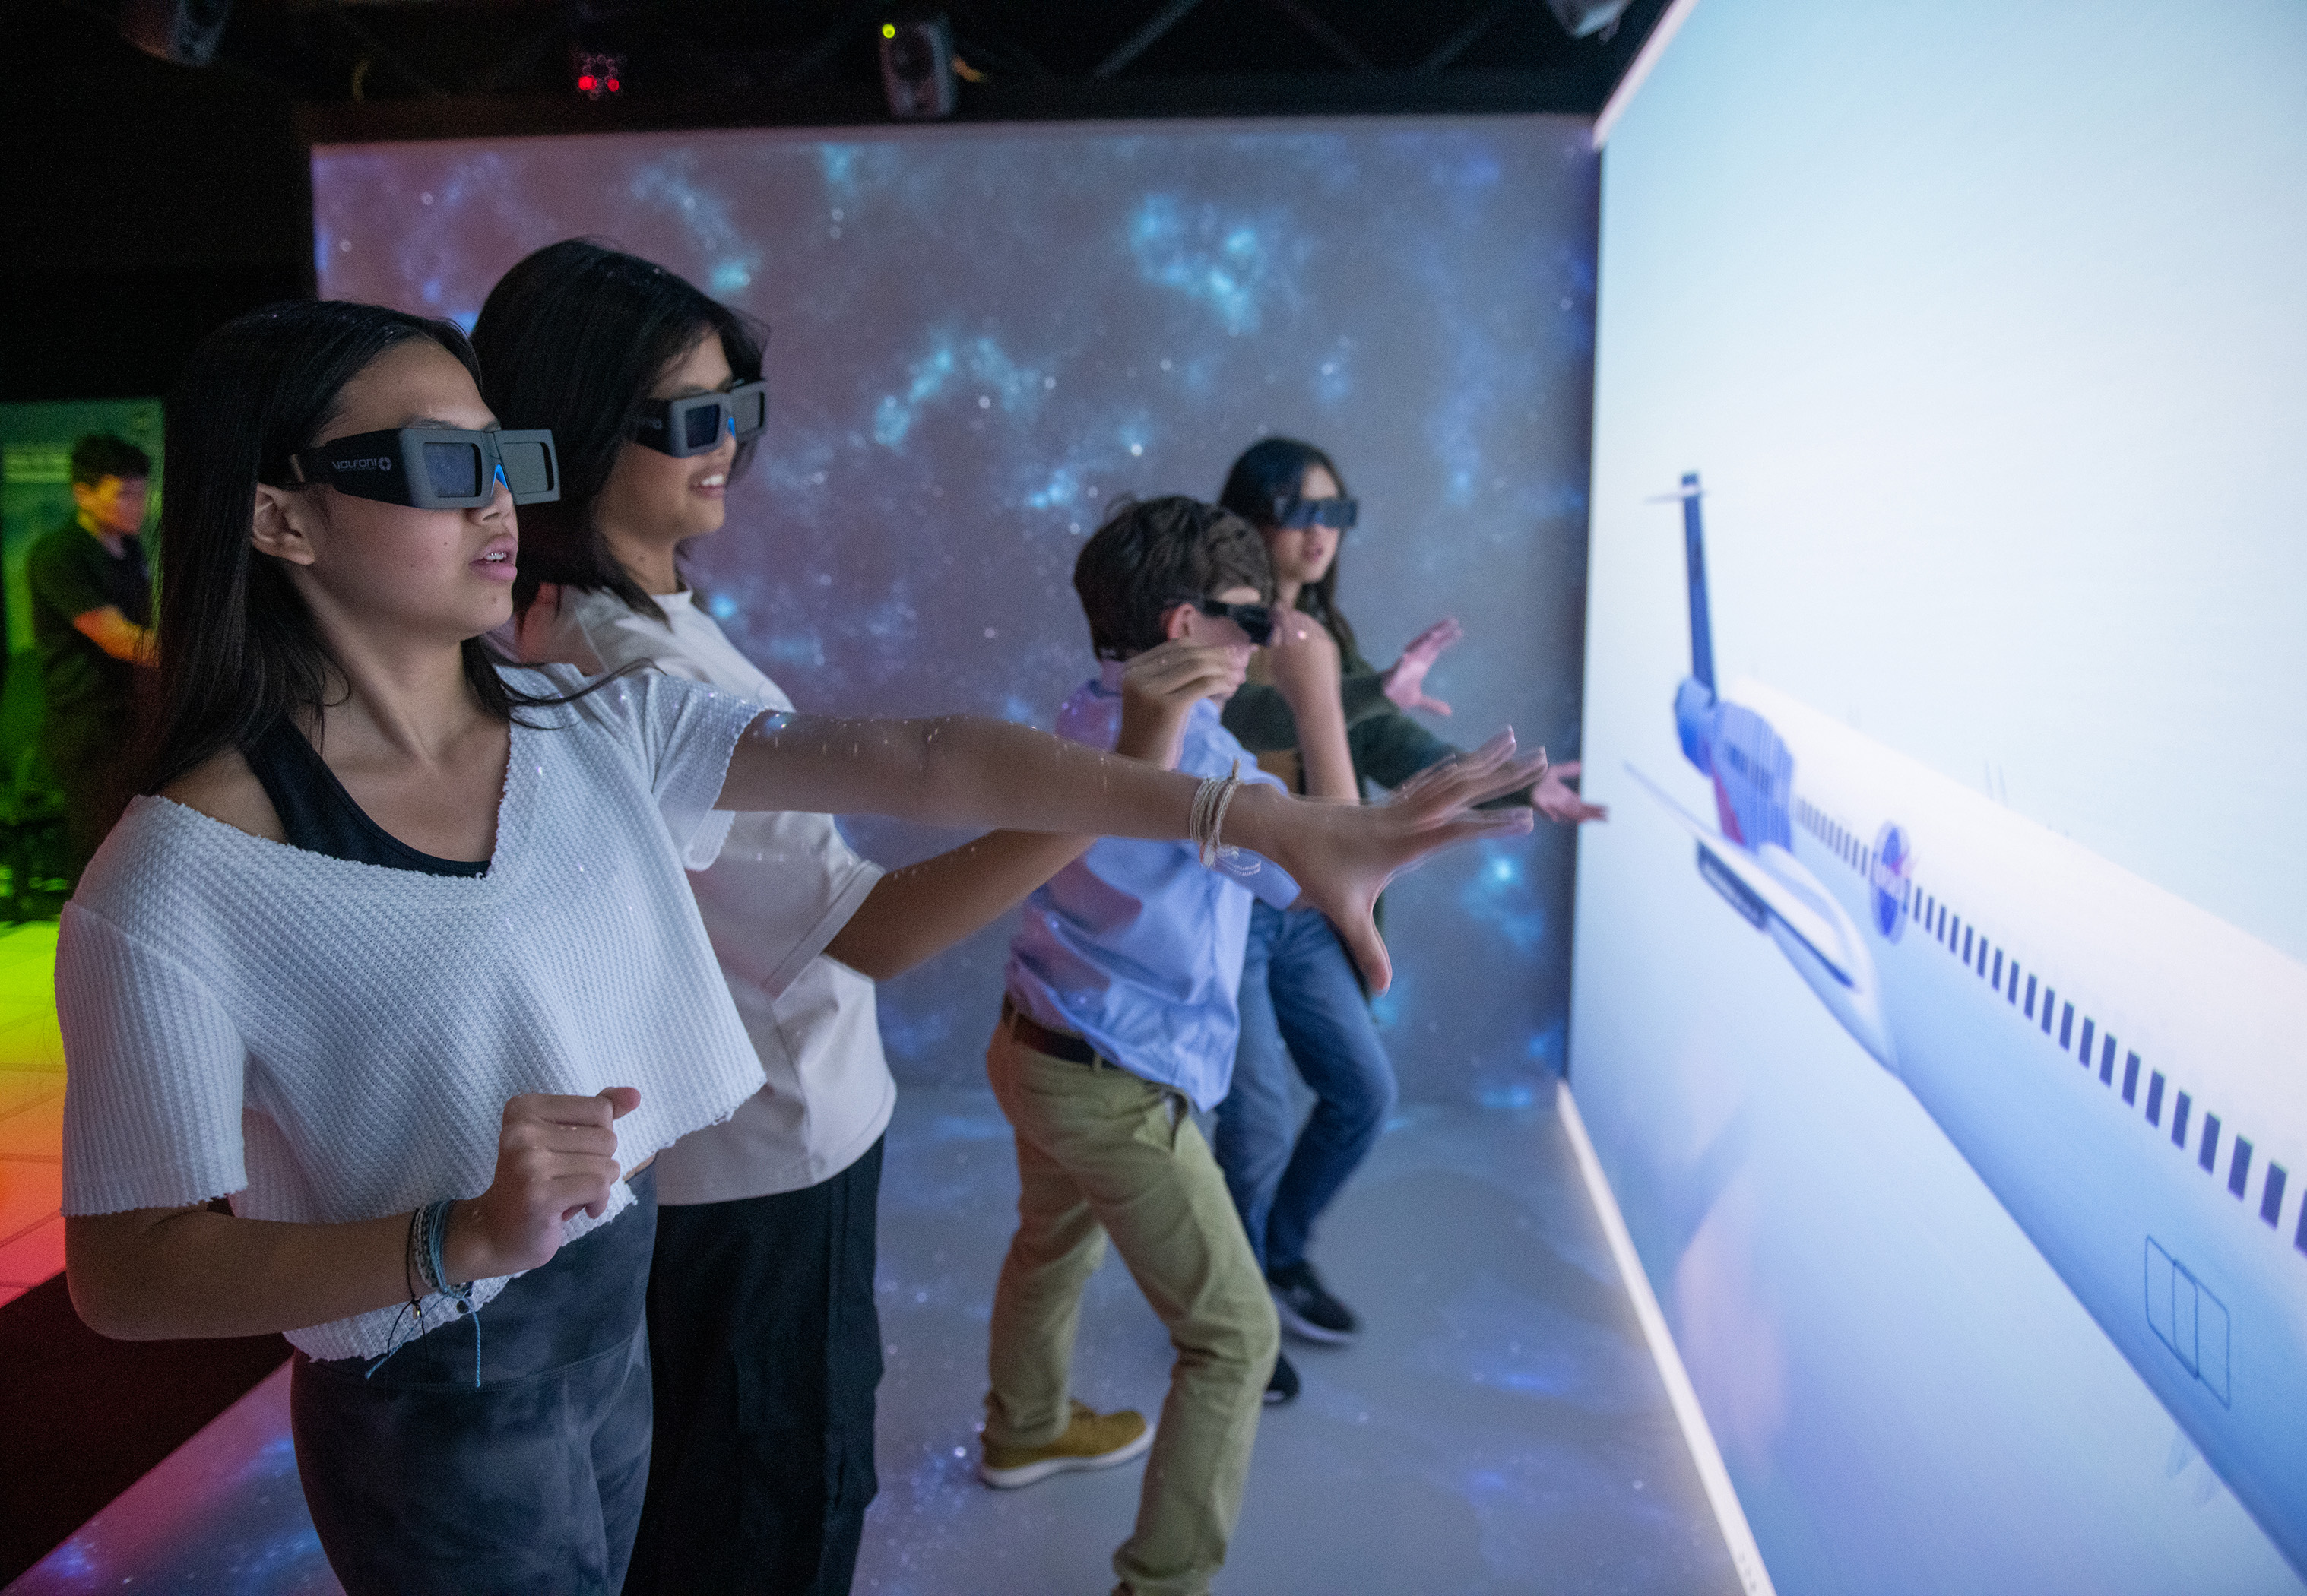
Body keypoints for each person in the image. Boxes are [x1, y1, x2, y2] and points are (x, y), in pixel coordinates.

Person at [55, 302, 1543, 1596]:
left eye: (504, 458)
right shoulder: (178, 884)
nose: (501, 502)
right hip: (430, 1382)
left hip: (607, 1299)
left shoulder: (591, 727)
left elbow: (925, 759)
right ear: (279, 517)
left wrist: (1258, 816)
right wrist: (459, 1239)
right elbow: (129, 1273)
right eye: (444, 467)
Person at [474, 239, 1096, 1596]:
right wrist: (1120, 793)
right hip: (759, 1166)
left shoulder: (623, 620)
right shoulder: (615, 658)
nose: (724, 449)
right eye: (684, 421)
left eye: (735, 410)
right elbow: (876, 920)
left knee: (750, 1495)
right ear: (569, 436)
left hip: (762, 1143)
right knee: (770, 1513)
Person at [981, 496, 1478, 1596]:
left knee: (1050, 1248)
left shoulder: (1074, 712)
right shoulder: (1208, 774)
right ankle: (1161, 1581)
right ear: (1182, 630)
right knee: (1235, 1344)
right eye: (1254, 623)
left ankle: (1022, 1427)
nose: (1273, 638)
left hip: (1031, 1046)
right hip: (1119, 1090)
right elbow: (1335, 864)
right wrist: (1314, 701)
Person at [1213, 437, 1607, 1404]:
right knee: (1254, 1122)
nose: (1321, 537)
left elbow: (1370, 736)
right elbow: (1239, 729)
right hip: (1232, 905)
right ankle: (1231, 1316)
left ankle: (1276, 1253)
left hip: (1309, 911)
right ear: (1255, 517)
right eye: (1305, 513)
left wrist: (1510, 779)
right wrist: (1358, 691)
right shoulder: (1218, 628)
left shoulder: (1326, 635)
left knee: (1363, 1094)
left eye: (1336, 516)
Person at [27, 433, 157, 878]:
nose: (137, 504)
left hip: (134, 721)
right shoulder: (59, 555)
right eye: (124, 494)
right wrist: (204, 658)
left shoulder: (131, 548)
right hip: (88, 727)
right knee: (99, 856)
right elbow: (118, 639)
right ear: (82, 493)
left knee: (139, 850)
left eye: (142, 492)